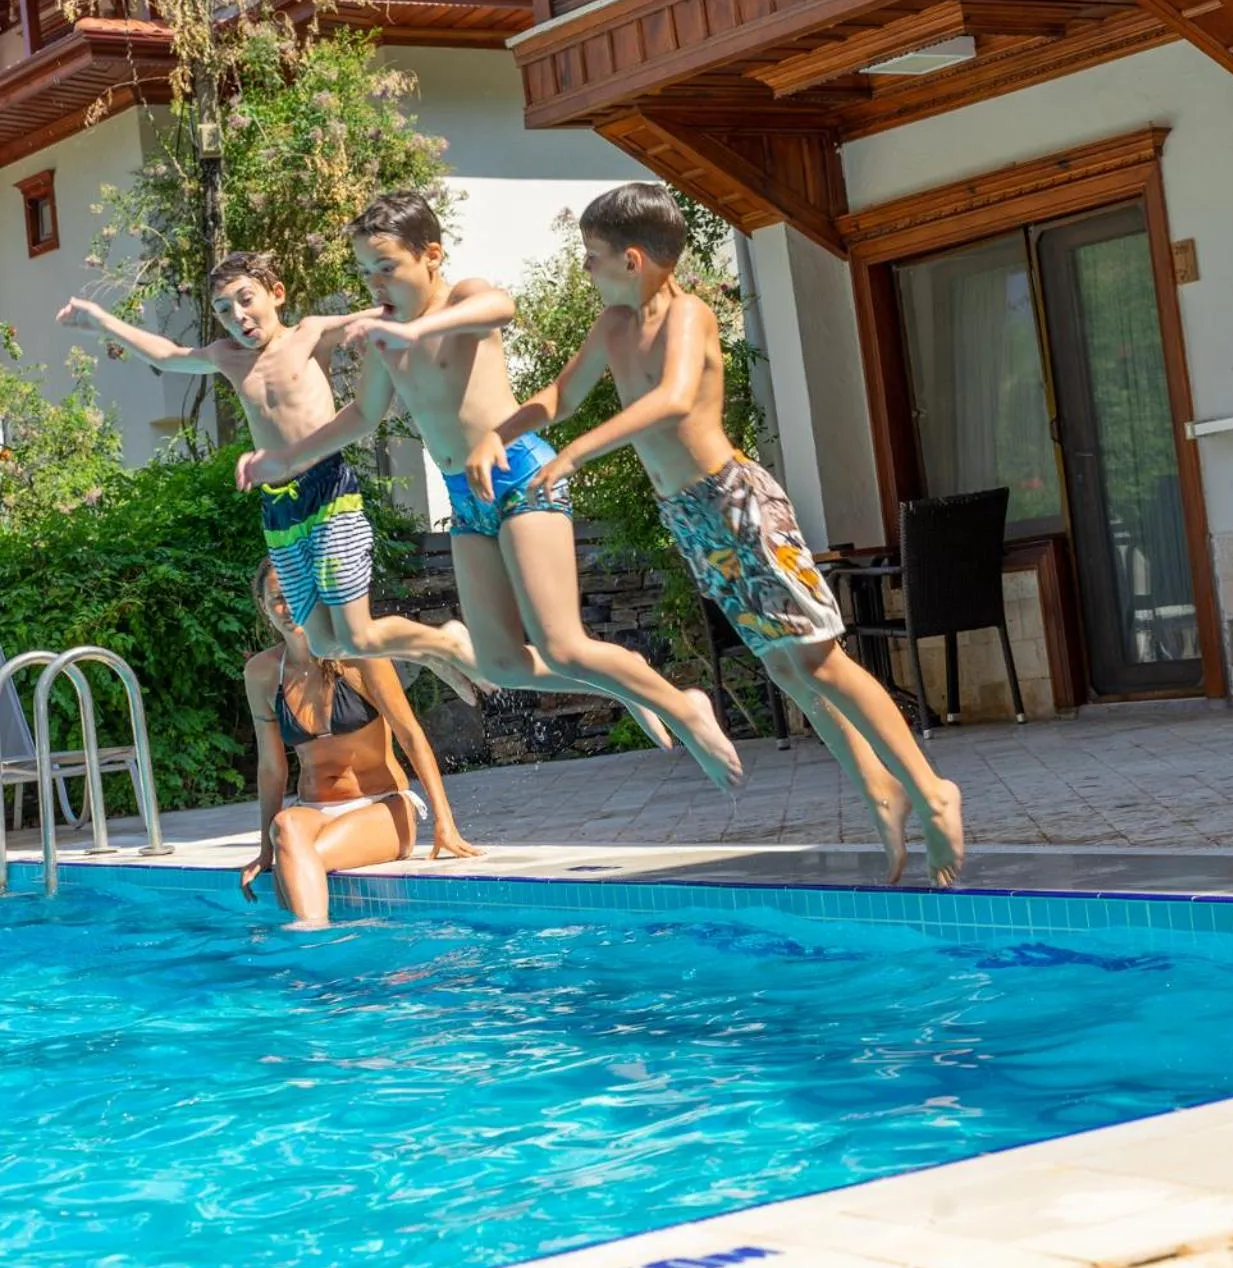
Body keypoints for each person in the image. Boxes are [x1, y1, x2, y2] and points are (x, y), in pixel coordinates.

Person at [467, 182, 966, 886]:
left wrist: (577, 453)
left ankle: (928, 788)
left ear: (632, 259)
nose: (586, 270)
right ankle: (878, 791)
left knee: (820, 660)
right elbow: (558, 397)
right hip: (691, 518)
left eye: (591, 258)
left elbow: (671, 401)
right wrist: (498, 434)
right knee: (785, 666)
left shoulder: (690, 316)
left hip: (736, 502)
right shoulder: (612, 327)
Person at [234, 191, 742, 791]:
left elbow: (502, 307)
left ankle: (685, 708)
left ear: (431, 256)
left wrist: (411, 330)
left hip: (521, 474)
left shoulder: (464, 298)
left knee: (560, 644)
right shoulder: (384, 333)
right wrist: (285, 458)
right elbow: (362, 416)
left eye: (387, 267)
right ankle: (626, 676)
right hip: (465, 495)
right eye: (365, 272)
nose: (375, 284)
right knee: (502, 662)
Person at [57, 254, 482, 701]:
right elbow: (168, 354)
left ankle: (448, 641)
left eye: (245, 300)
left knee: (356, 636)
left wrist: (442, 299)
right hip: (279, 511)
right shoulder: (228, 358)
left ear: (276, 294)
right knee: (322, 642)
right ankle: (432, 651)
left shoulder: (310, 334)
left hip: (329, 493)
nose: (237, 317)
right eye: (224, 310)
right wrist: (103, 322)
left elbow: (384, 312)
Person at [241, 557, 481, 923]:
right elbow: (272, 769)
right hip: (313, 809)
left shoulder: (358, 658)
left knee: (302, 859)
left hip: (381, 806)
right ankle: (314, 938)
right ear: (262, 606)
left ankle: (311, 943)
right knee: (285, 827)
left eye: (296, 593)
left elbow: (410, 736)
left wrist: (444, 822)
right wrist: (264, 850)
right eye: (277, 598)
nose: (288, 607)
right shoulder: (261, 673)